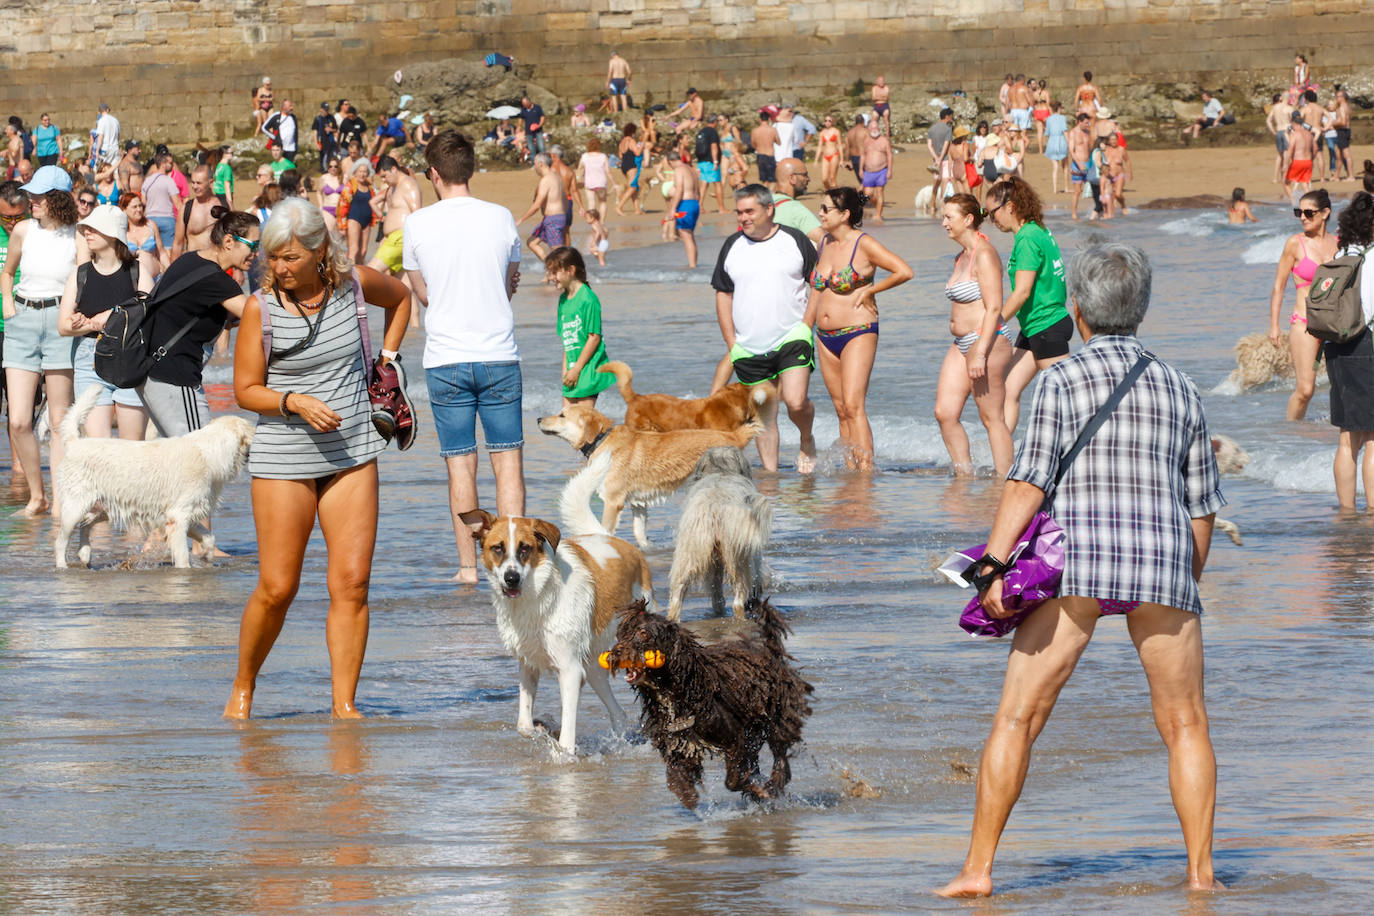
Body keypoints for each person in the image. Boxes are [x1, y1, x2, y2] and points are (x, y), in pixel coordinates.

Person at [937, 243, 1225, 900]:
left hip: (1076, 567)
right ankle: (1202, 876)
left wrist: (991, 565)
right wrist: (1188, 580)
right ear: (1141, 308)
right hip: (1162, 563)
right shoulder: (1181, 387)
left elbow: (1027, 483)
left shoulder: (1059, 381)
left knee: (1017, 719)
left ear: (1078, 312)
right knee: (1185, 724)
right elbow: (1202, 507)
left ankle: (978, 871)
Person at [225, 196, 411, 720]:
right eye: (271, 258)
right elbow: (245, 389)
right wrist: (293, 401)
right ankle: (243, 686)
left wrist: (388, 361)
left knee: (352, 583)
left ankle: (344, 704)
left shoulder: (354, 287)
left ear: (318, 251)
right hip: (284, 456)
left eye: (289, 258)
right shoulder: (261, 309)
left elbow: (401, 301)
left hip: (353, 450)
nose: (278, 268)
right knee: (278, 587)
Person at [403, 130, 525, 584]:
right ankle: (513, 564)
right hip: (497, 354)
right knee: (507, 464)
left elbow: (424, 295)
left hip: (446, 359)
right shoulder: (501, 217)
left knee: (460, 465)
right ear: (469, 170)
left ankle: (470, 568)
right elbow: (510, 281)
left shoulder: (417, 223)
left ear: (433, 173)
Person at [710, 184, 818, 473]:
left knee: (795, 403)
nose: (743, 217)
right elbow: (723, 293)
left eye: (749, 211)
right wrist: (731, 341)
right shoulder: (732, 245)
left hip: (793, 336)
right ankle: (771, 478)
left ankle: (806, 438)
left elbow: (817, 283)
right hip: (748, 344)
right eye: (739, 212)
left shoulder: (794, 240)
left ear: (769, 210)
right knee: (763, 417)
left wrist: (808, 324)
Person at [809, 186, 912, 470]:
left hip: (858, 330)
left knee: (854, 407)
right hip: (825, 336)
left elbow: (904, 271)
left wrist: (870, 291)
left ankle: (866, 476)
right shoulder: (824, 242)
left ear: (844, 214)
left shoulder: (864, 244)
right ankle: (851, 476)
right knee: (841, 411)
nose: (819, 213)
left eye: (825, 209)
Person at [2, 173, 83, 516]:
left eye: (36, 195)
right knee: (19, 420)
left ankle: (61, 502)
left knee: (60, 419)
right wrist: (9, 309)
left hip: (59, 324)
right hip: (22, 320)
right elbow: (7, 273)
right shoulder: (22, 231)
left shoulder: (78, 236)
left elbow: (83, 279)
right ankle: (38, 496)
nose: (29, 200)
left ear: (57, 198)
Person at [57, 203, 153, 438]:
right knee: (97, 451)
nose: (87, 233)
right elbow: (63, 326)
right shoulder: (81, 273)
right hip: (89, 358)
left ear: (113, 234)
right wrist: (87, 324)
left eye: (94, 229)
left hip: (130, 358)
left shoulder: (137, 271)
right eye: (86, 229)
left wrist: (110, 316)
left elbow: (150, 313)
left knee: (132, 449)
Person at [936, 194, 1014, 477]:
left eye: (949, 217)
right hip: (961, 343)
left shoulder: (985, 253)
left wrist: (980, 352)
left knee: (992, 418)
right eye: (944, 217)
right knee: (945, 413)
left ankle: (1006, 483)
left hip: (988, 340)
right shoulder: (961, 256)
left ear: (968, 220)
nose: (943, 223)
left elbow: (994, 307)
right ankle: (964, 477)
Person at [983, 177, 1071, 432]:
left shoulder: (1027, 239)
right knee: (1007, 388)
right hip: (1036, 326)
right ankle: (1004, 456)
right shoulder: (1038, 230)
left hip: (1047, 325)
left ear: (1010, 206)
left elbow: (1021, 292)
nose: (992, 220)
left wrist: (994, 325)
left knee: (1067, 398)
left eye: (993, 213)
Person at [1322, 192, 1374, 508]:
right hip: (1367, 345)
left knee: (1346, 437)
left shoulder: (1341, 255)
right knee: (1372, 439)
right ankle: (1372, 515)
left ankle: (1346, 514)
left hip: (1337, 346)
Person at [1268, 188, 1336, 421]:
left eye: (1309, 212)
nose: (1303, 218)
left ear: (1325, 213)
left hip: (1335, 324)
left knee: (1342, 386)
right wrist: (1274, 326)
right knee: (1306, 389)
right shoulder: (1294, 244)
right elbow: (1279, 286)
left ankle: (1343, 434)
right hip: (1304, 323)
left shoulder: (1339, 243)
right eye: (1299, 212)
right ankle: (1291, 435)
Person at [543, 245, 614, 408]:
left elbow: (594, 338)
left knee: (581, 426)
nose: (551, 277)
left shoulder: (588, 299)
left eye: (555, 272)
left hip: (588, 369)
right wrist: (565, 371)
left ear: (570, 270)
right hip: (571, 368)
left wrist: (577, 369)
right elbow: (566, 341)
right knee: (566, 423)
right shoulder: (563, 300)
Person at [515, 152, 568, 261]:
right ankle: (550, 268)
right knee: (532, 242)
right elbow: (564, 199)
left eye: (534, 164)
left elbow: (537, 205)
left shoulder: (546, 180)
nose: (534, 167)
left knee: (558, 254)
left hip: (553, 219)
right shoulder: (556, 176)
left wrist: (521, 220)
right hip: (553, 218)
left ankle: (566, 274)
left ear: (541, 164)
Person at [770, 157, 822, 244]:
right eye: (804, 175)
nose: (808, 179)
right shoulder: (795, 210)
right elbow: (823, 239)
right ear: (792, 178)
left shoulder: (765, 204)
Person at [667, 138, 700, 268]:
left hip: (685, 204)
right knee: (689, 236)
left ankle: (692, 266)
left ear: (670, 161)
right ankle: (693, 264)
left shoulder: (678, 170)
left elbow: (679, 189)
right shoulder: (690, 169)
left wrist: (672, 208)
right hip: (694, 204)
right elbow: (698, 190)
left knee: (686, 236)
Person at [141, 153, 181, 252]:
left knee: (152, 252)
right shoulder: (169, 181)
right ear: (163, 164)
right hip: (167, 219)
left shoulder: (147, 181)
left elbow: (143, 201)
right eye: (170, 163)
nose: (172, 166)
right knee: (167, 251)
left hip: (150, 219)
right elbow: (178, 203)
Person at [342, 160, 379, 264]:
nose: (362, 174)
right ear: (355, 172)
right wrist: (342, 226)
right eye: (360, 171)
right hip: (354, 218)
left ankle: (360, 275)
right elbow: (342, 205)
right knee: (354, 250)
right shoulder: (351, 185)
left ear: (368, 173)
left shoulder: (370, 187)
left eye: (365, 172)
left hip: (366, 221)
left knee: (363, 251)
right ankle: (350, 276)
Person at [119, 191, 166, 272]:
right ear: (124, 209)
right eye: (134, 207)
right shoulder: (121, 231)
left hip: (156, 276)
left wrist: (169, 271)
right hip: (133, 279)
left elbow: (162, 253)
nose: (139, 209)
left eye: (140, 206)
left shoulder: (151, 225)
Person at [1281, 109, 1316, 204]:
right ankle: (1310, 203)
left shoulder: (1294, 134)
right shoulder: (1309, 134)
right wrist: (1312, 159)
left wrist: (1285, 164)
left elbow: (1290, 149)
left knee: (1285, 182)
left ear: (1295, 124)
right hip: (1308, 162)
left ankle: (1293, 202)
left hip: (1298, 161)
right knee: (1304, 183)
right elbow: (1315, 148)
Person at [861, 121, 892, 222]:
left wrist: (890, 170)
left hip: (882, 170)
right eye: (872, 128)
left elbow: (889, 155)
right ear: (869, 129)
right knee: (867, 193)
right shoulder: (866, 141)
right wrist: (861, 169)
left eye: (876, 128)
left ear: (879, 129)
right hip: (868, 171)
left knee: (880, 192)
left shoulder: (884, 140)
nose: (874, 130)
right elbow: (863, 155)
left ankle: (878, 214)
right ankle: (878, 206)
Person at [694, 118, 724, 214]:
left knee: (704, 184)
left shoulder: (701, 131)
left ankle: (699, 206)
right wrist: (715, 161)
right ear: (714, 122)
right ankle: (721, 208)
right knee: (717, 183)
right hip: (710, 161)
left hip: (701, 161)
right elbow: (714, 146)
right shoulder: (712, 132)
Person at [1067, 113, 1094, 220]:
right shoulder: (1073, 133)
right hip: (1077, 165)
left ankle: (1096, 211)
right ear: (1079, 122)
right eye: (1086, 123)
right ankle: (1074, 214)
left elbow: (1091, 148)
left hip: (1088, 164)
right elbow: (1071, 151)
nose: (1088, 125)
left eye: (1088, 122)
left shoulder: (1088, 132)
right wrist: (1079, 164)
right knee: (1077, 191)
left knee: (1095, 189)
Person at [576, 137, 614, 214]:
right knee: (602, 202)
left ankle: (593, 222)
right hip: (601, 182)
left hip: (589, 183)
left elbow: (580, 168)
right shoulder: (603, 156)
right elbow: (608, 171)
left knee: (591, 203)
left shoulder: (584, 156)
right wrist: (613, 183)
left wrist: (578, 178)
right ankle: (602, 222)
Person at [615, 123, 645, 216]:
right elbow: (637, 153)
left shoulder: (622, 142)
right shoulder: (631, 141)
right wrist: (643, 143)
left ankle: (637, 209)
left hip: (624, 165)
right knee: (633, 187)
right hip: (631, 165)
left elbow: (620, 156)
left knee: (633, 187)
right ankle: (619, 206)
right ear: (632, 132)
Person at [1266, 93, 1294, 184]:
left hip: (1278, 131)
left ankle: (1275, 178)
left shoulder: (1275, 107)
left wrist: (1273, 131)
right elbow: (1293, 121)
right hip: (1286, 131)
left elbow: (1268, 121)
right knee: (1287, 154)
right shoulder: (1289, 108)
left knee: (1279, 155)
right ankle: (1284, 177)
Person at [1043, 102, 1069, 194]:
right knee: (1065, 166)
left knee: (1055, 167)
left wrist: (1047, 144)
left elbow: (1047, 133)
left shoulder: (1049, 119)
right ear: (1059, 108)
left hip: (1052, 142)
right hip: (1061, 141)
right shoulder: (1062, 118)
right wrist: (1069, 143)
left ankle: (1055, 189)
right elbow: (1065, 131)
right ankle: (1066, 187)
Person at [751, 112, 781, 190]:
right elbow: (779, 142)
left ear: (760, 119)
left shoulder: (755, 131)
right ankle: (770, 195)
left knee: (764, 180)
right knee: (773, 180)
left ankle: (765, 195)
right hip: (770, 155)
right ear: (769, 119)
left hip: (760, 155)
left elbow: (753, 145)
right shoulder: (772, 130)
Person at [816, 115, 843, 190]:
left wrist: (841, 160)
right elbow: (819, 147)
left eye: (829, 121)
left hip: (834, 155)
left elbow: (840, 145)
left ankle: (834, 194)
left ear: (832, 122)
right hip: (825, 156)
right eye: (826, 120)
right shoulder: (822, 133)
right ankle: (830, 192)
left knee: (832, 177)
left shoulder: (836, 131)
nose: (827, 122)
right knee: (824, 179)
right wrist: (816, 160)